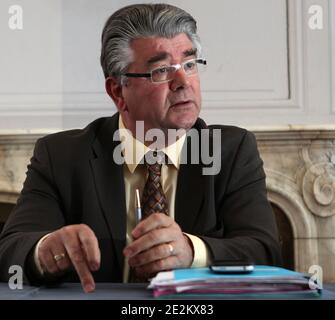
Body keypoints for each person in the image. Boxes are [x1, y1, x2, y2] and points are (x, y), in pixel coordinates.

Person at [0, 3, 281, 293]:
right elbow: (10, 251)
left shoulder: (230, 151)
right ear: (118, 92)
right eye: (161, 70)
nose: (183, 82)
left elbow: (265, 252)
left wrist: (192, 251)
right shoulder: (61, 156)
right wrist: (45, 251)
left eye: (189, 64)